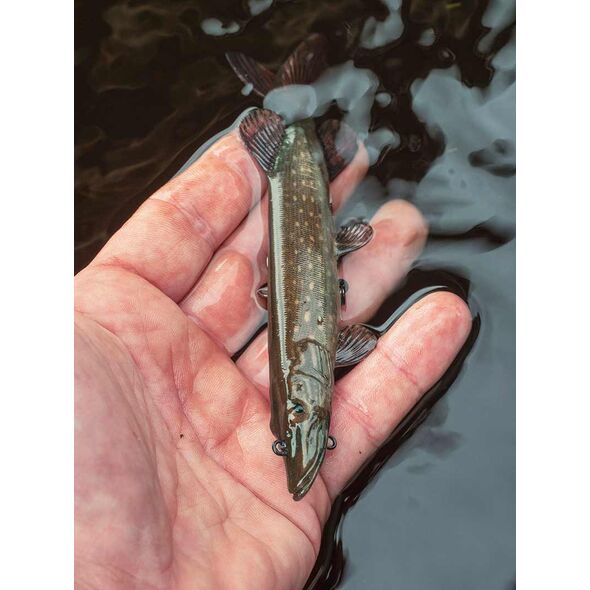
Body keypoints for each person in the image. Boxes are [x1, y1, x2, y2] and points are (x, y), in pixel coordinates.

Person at [75, 131, 472, 589]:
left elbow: (349, 349)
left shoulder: (311, 367)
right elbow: (356, 344)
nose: (303, 435)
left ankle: (300, 135)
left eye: (294, 417)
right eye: (291, 437)